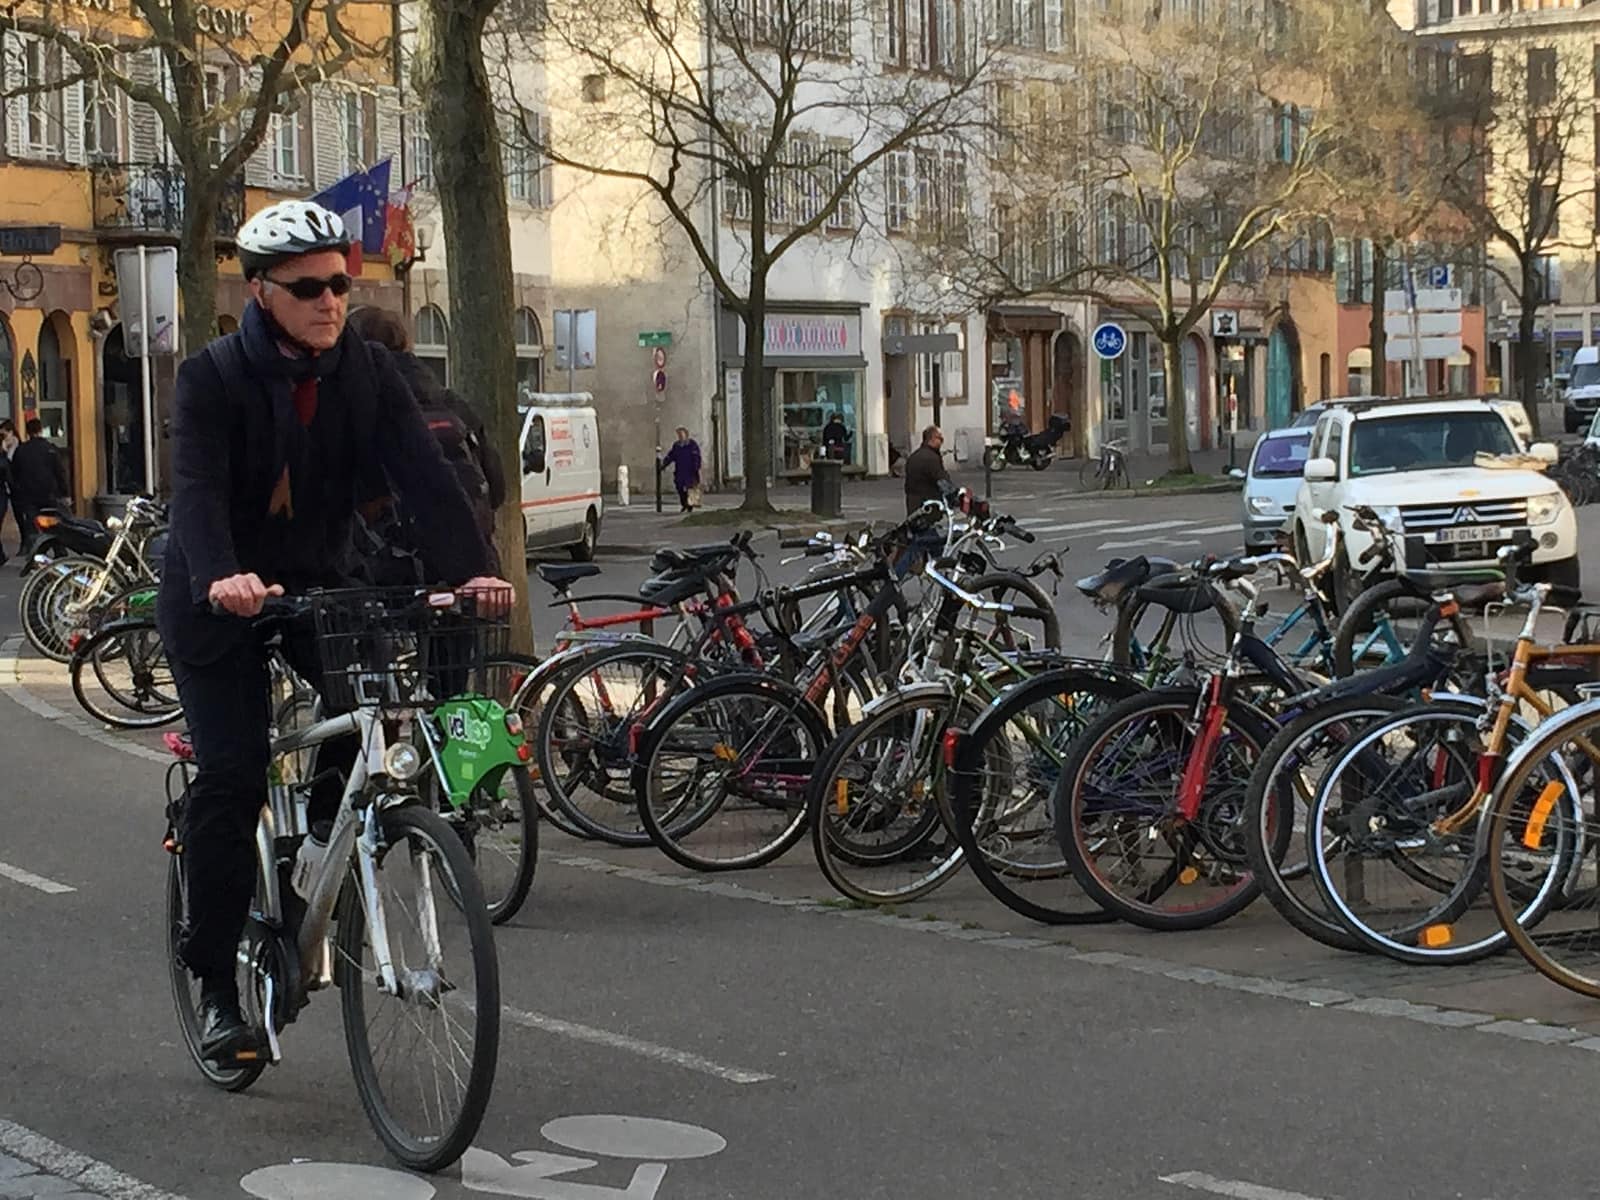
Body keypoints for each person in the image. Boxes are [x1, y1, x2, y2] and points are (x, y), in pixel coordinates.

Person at [154, 199, 509, 1064]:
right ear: (262, 292)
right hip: (217, 593)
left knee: (372, 723)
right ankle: (215, 988)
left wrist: (471, 568)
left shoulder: (367, 373)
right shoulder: (210, 378)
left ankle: (319, 840)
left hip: (316, 583)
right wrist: (219, 576)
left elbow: (423, 476)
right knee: (233, 775)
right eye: (308, 287)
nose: (330, 300)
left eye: (341, 283)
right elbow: (194, 491)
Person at [345, 305, 506, 576]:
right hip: (474, 571)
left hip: (394, 573)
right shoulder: (453, 403)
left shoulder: (358, 408)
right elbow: (497, 488)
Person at [10, 417, 69, 554]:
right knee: (53, 524)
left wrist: (18, 491)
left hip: (28, 495)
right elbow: (60, 472)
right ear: (41, 430)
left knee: (32, 526)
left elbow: (14, 473)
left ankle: (36, 554)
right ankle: (59, 551)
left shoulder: (21, 450)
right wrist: (65, 493)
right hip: (49, 494)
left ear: (28, 432)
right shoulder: (50, 449)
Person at [903, 424, 950, 514]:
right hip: (929, 503)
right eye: (940, 439)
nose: (941, 442)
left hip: (912, 502)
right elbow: (941, 479)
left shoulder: (914, 456)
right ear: (932, 439)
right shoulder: (932, 458)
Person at [659, 426, 702, 512]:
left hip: (690, 470)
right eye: (679, 435)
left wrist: (696, 467)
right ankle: (684, 504)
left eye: (681, 434)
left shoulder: (692, 445)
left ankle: (690, 506)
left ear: (686, 435)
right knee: (680, 488)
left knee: (691, 488)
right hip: (680, 470)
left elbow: (697, 457)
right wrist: (664, 465)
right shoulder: (677, 446)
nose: (680, 437)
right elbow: (671, 456)